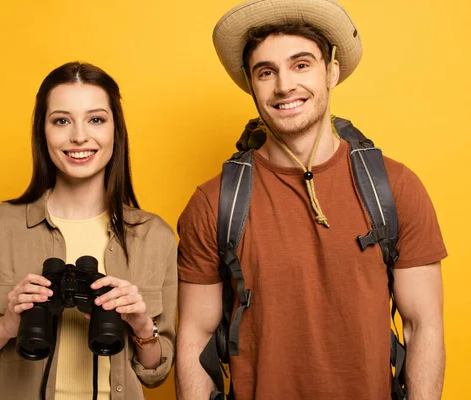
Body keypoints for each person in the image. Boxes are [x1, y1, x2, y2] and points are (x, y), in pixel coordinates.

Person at [175, 0, 447, 399]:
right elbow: (194, 337)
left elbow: (423, 325)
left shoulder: (396, 186)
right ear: (252, 85)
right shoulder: (213, 202)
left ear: (331, 71)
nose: (284, 85)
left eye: (301, 64)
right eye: (266, 72)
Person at [0, 62, 177, 400]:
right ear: (42, 131)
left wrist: (143, 326)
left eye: (96, 119)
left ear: (116, 130)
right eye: (61, 121)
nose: (79, 136)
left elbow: (156, 372)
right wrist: (8, 325)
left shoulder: (154, 236)